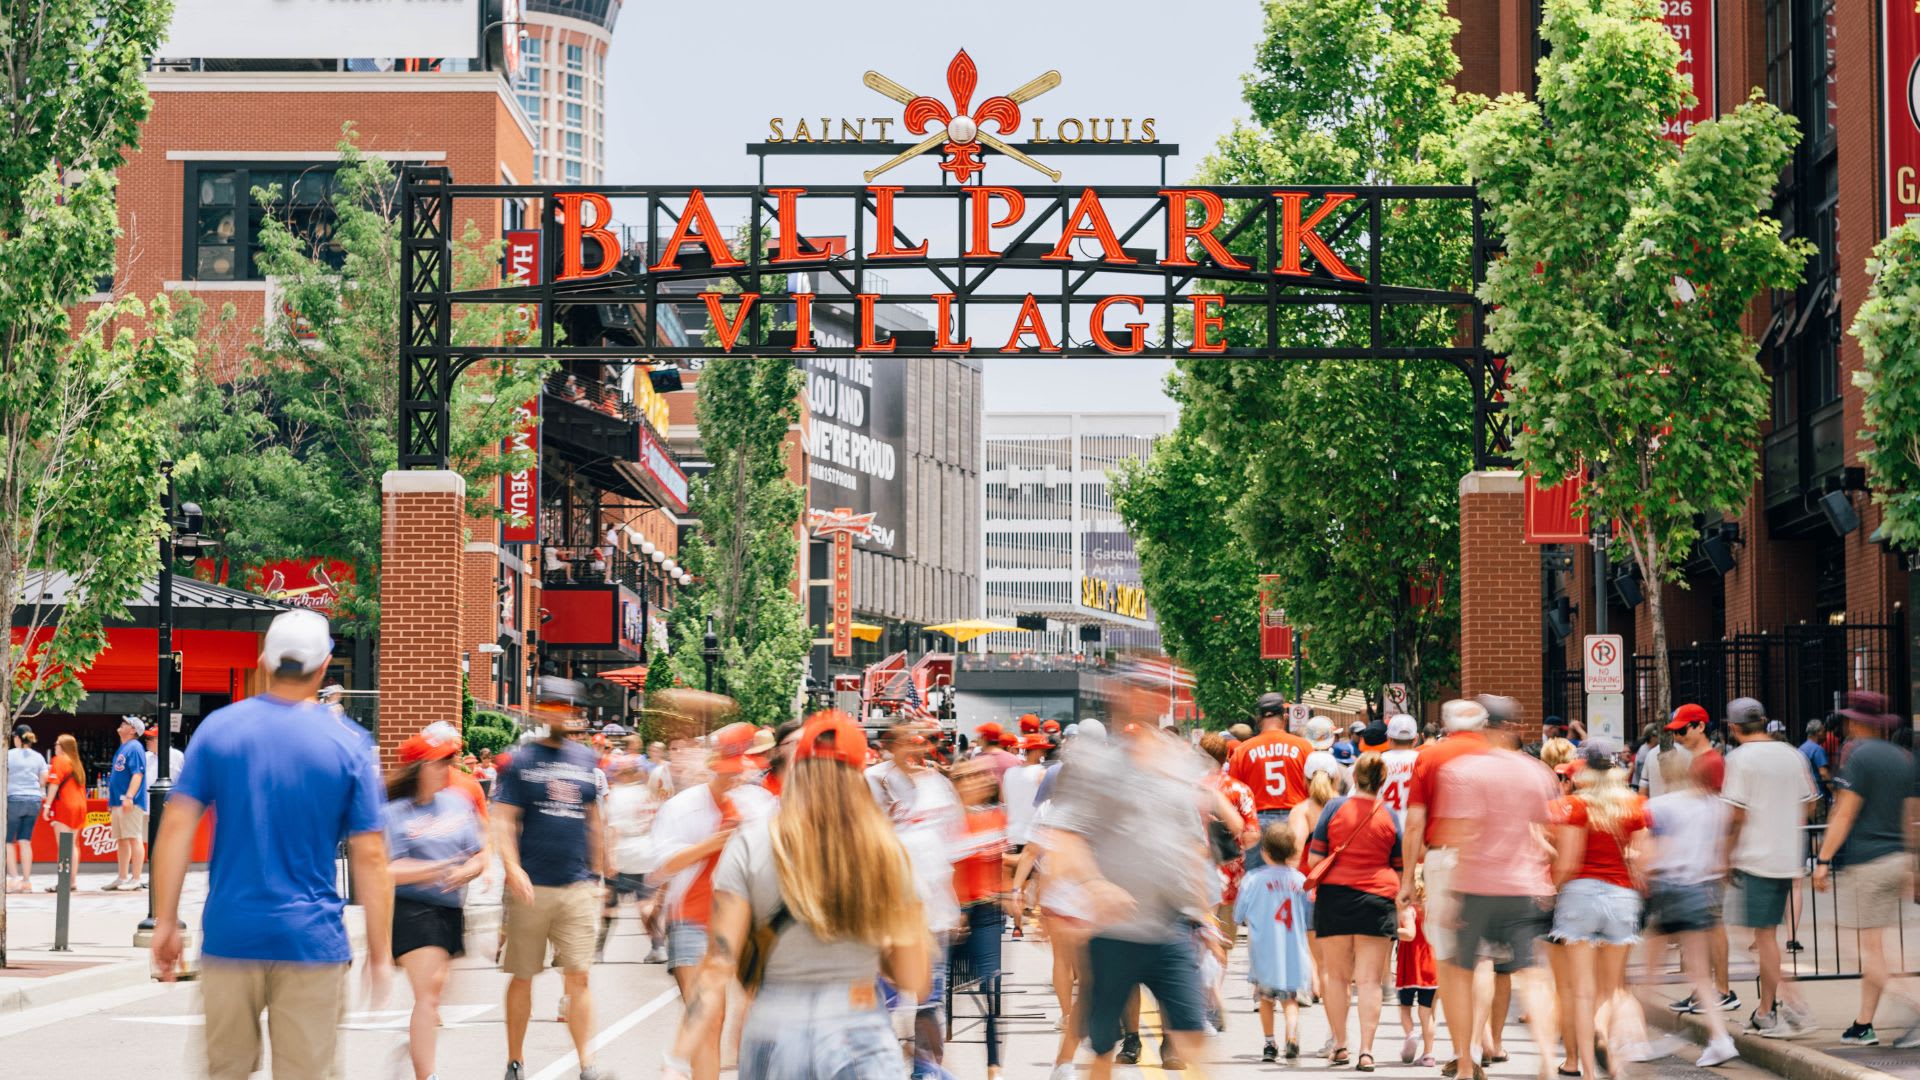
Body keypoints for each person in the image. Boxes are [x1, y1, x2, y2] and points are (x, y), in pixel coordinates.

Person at [149, 609, 393, 1080]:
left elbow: (176, 828)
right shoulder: (350, 743)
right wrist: (380, 952)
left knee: (225, 1071)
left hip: (230, 935)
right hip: (312, 940)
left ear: (264, 660)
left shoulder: (220, 729)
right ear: (324, 667)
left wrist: (165, 921)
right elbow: (371, 854)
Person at [663, 711, 931, 1080]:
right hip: (858, 1027)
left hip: (774, 1028)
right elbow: (915, 979)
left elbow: (717, 969)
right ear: (857, 775)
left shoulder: (750, 844)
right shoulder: (888, 854)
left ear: (799, 765)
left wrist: (677, 1060)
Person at [1049, 718, 1224, 1079]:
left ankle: (1162, 1045)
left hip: (1170, 927)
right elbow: (1066, 842)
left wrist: (1206, 919)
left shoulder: (1177, 792)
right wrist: (1095, 884)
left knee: (1193, 1034)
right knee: (1101, 1047)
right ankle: (1123, 1044)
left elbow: (1193, 854)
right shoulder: (1103, 788)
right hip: (1114, 932)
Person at [1429, 699, 1559, 1080]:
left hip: (1477, 887)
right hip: (1526, 885)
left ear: (1484, 726)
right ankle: (1549, 1061)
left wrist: (1451, 893)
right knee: (1532, 976)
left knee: (1459, 971)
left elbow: (1458, 833)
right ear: (1514, 726)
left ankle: (1466, 1064)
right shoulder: (1537, 772)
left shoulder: (1464, 771)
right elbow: (1549, 829)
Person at [493, 705, 615, 1080]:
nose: (566, 717)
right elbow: (502, 819)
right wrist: (512, 869)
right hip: (532, 886)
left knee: (578, 975)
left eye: (571, 711)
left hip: (576, 884)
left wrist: (601, 871)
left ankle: (587, 1065)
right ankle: (516, 1061)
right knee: (524, 975)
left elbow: (593, 817)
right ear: (546, 714)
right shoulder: (522, 760)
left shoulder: (585, 759)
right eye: (557, 710)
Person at [651, 723, 775, 1080]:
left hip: (750, 922)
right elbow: (661, 867)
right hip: (693, 919)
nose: (733, 779)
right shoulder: (682, 808)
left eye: (739, 771)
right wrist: (716, 841)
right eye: (726, 772)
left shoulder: (761, 804)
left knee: (761, 1014)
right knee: (708, 1016)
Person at [1813, 690, 1920, 1047]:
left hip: (1868, 863)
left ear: (1858, 722)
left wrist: (1823, 860)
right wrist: (1911, 864)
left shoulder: (1859, 758)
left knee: (1865, 951)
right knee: (1876, 947)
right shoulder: (1904, 758)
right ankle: (1864, 1024)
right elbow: (1910, 816)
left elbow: (1844, 812)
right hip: (1896, 859)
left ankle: (1916, 1008)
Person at [385, 730, 487, 1080]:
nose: (450, 766)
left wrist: (470, 870)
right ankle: (426, 1074)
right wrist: (439, 868)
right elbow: (389, 870)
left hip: (450, 908)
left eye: (451, 759)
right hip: (412, 909)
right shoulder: (395, 812)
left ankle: (418, 1039)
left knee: (438, 992)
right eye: (441, 761)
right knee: (429, 994)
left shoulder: (457, 802)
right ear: (419, 768)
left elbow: (479, 853)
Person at [1398, 698, 1494, 1073]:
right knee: (1483, 957)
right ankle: (1474, 1047)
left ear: (1446, 723)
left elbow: (1415, 822)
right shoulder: (1495, 757)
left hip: (1443, 857)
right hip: (1490, 860)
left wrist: (1408, 878)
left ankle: (1459, 1053)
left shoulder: (1429, 757)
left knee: (1450, 959)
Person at [1550, 748, 1654, 1078]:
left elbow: (1567, 862)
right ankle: (1603, 1032)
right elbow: (1643, 861)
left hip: (1580, 894)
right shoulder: (1634, 804)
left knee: (1581, 990)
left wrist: (1551, 889)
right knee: (1610, 989)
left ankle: (1587, 1071)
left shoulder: (1577, 806)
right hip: (1621, 896)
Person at [1721, 697, 1817, 1039]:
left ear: (1733, 728)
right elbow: (1811, 801)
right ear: (1763, 721)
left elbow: (1735, 815)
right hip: (1786, 854)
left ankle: (1792, 1007)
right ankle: (1766, 1011)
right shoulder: (1792, 754)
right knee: (1763, 939)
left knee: (1758, 940)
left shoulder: (1739, 759)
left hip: (1755, 858)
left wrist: (1725, 855)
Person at [1306, 752, 1402, 1071]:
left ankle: (1341, 1044)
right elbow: (1399, 867)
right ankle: (1367, 1051)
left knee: (1337, 977)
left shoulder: (1334, 808)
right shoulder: (1389, 814)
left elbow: (1314, 858)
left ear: (1352, 777)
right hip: (1377, 898)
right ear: (1382, 782)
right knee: (1371, 980)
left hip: (1334, 897)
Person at [1643, 750, 1737, 1065]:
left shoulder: (1662, 806)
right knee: (1698, 974)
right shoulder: (1718, 808)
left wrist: (1642, 870)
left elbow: (1656, 851)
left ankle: (1638, 1038)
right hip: (1701, 889)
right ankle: (1720, 1038)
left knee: (1651, 970)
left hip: (1669, 888)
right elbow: (1720, 855)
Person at [1662, 703, 1734, 1015]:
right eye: (1675, 731)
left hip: (1708, 857)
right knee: (1704, 926)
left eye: (1682, 730)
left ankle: (1722, 989)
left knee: (1712, 924)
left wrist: (1720, 855)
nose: (1677, 737)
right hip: (1701, 856)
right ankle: (1706, 988)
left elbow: (1718, 810)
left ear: (1700, 726)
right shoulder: (1700, 761)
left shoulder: (1712, 762)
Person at [950, 758, 1010, 1079]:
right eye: (965, 778)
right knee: (931, 993)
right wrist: (957, 910)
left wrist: (1014, 894)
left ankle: (993, 1067)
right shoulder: (946, 821)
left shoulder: (996, 817)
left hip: (986, 913)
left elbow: (1003, 861)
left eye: (979, 777)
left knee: (991, 991)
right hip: (950, 914)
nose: (974, 783)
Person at [1237, 823, 1313, 1064]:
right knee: (1290, 998)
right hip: (1293, 950)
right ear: (1292, 852)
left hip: (1264, 951)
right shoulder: (1300, 880)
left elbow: (1238, 914)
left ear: (1264, 851)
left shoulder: (1253, 879)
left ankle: (1270, 1043)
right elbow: (1309, 915)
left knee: (1266, 999)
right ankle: (1291, 1031)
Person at [1227, 692, 1316, 854]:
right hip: (1295, 819)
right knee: (1293, 877)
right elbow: (1315, 789)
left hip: (1256, 822)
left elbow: (1234, 796)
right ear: (1285, 717)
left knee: (1255, 877)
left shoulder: (1242, 751)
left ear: (1259, 718)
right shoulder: (1304, 747)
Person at [602, 754, 668, 963]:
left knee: (609, 904)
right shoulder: (648, 793)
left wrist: (609, 857)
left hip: (625, 852)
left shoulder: (618, 795)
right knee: (646, 903)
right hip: (648, 850)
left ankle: (596, 950)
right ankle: (658, 946)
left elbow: (613, 828)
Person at [1396, 873, 1438, 1068]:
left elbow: (1410, 934)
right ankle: (1428, 1054)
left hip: (1411, 966)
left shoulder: (1408, 911)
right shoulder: (1433, 910)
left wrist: (1391, 929)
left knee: (1405, 1007)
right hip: (1431, 965)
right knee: (1427, 1011)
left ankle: (1411, 1033)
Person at [102, 715, 149, 891]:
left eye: (126, 723)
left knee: (133, 837)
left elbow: (138, 774)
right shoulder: (124, 748)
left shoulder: (135, 747)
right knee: (121, 839)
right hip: (118, 801)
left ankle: (136, 878)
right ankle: (122, 877)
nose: (121, 725)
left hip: (130, 801)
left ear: (133, 730)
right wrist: (113, 801)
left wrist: (129, 796)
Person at [39, 732, 87, 888]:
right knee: (73, 844)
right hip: (79, 805)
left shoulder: (59, 761)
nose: (55, 746)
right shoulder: (76, 763)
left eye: (57, 744)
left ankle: (64, 882)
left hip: (65, 806)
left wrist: (47, 805)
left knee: (64, 845)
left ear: (63, 747)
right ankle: (72, 881)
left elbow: (54, 784)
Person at [6, 724, 46, 893]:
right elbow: (43, 781)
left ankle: (14, 878)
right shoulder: (39, 757)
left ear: (17, 738)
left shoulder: (8, 755)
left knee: (8, 841)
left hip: (14, 798)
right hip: (34, 800)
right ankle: (27, 881)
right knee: (25, 841)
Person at [1379, 714, 1421, 812]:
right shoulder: (1423, 760)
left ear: (1389, 739)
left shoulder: (1378, 761)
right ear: (1415, 739)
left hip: (1385, 823)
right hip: (1415, 823)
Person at [142, 724, 185, 791]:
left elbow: (184, 781)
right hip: (148, 799)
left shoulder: (178, 756)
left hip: (170, 799)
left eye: (150, 738)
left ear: (162, 740)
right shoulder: (145, 756)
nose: (146, 741)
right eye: (146, 738)